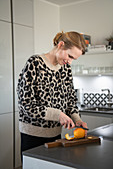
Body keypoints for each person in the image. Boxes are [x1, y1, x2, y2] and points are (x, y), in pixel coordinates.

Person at [17, 31, 88, 160]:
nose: (70, 62)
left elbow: (70, 98)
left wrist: (77, 119)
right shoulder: (35, 63)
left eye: (73, 59)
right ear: (61, 45)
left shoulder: (65, 68)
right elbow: (26, 105)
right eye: (70, 56)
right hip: (33, 135)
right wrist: (58, 115)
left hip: (56, 135)